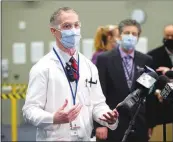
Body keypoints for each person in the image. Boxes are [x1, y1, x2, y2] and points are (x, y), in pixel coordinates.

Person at [22, 7, 119, 141]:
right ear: (53, 31)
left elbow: (98, 104)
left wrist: (108, 117)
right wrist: (53, 118)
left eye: (76, 25)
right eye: (67, 26)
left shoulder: (89, 66)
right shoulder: (42, 68)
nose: (73, 30)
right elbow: (29, 110)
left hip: (85, 138)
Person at [96, 19, 155, 142]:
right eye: (127, 33)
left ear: (138, 37)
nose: (130, 36)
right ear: (119, 35)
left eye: (134, 34)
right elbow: (99, 92)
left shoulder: (146, 60)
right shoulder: (104, 59)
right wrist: (100, 124)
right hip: (113, 121)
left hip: (139, 122)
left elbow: (149, 95)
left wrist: (150, 124)